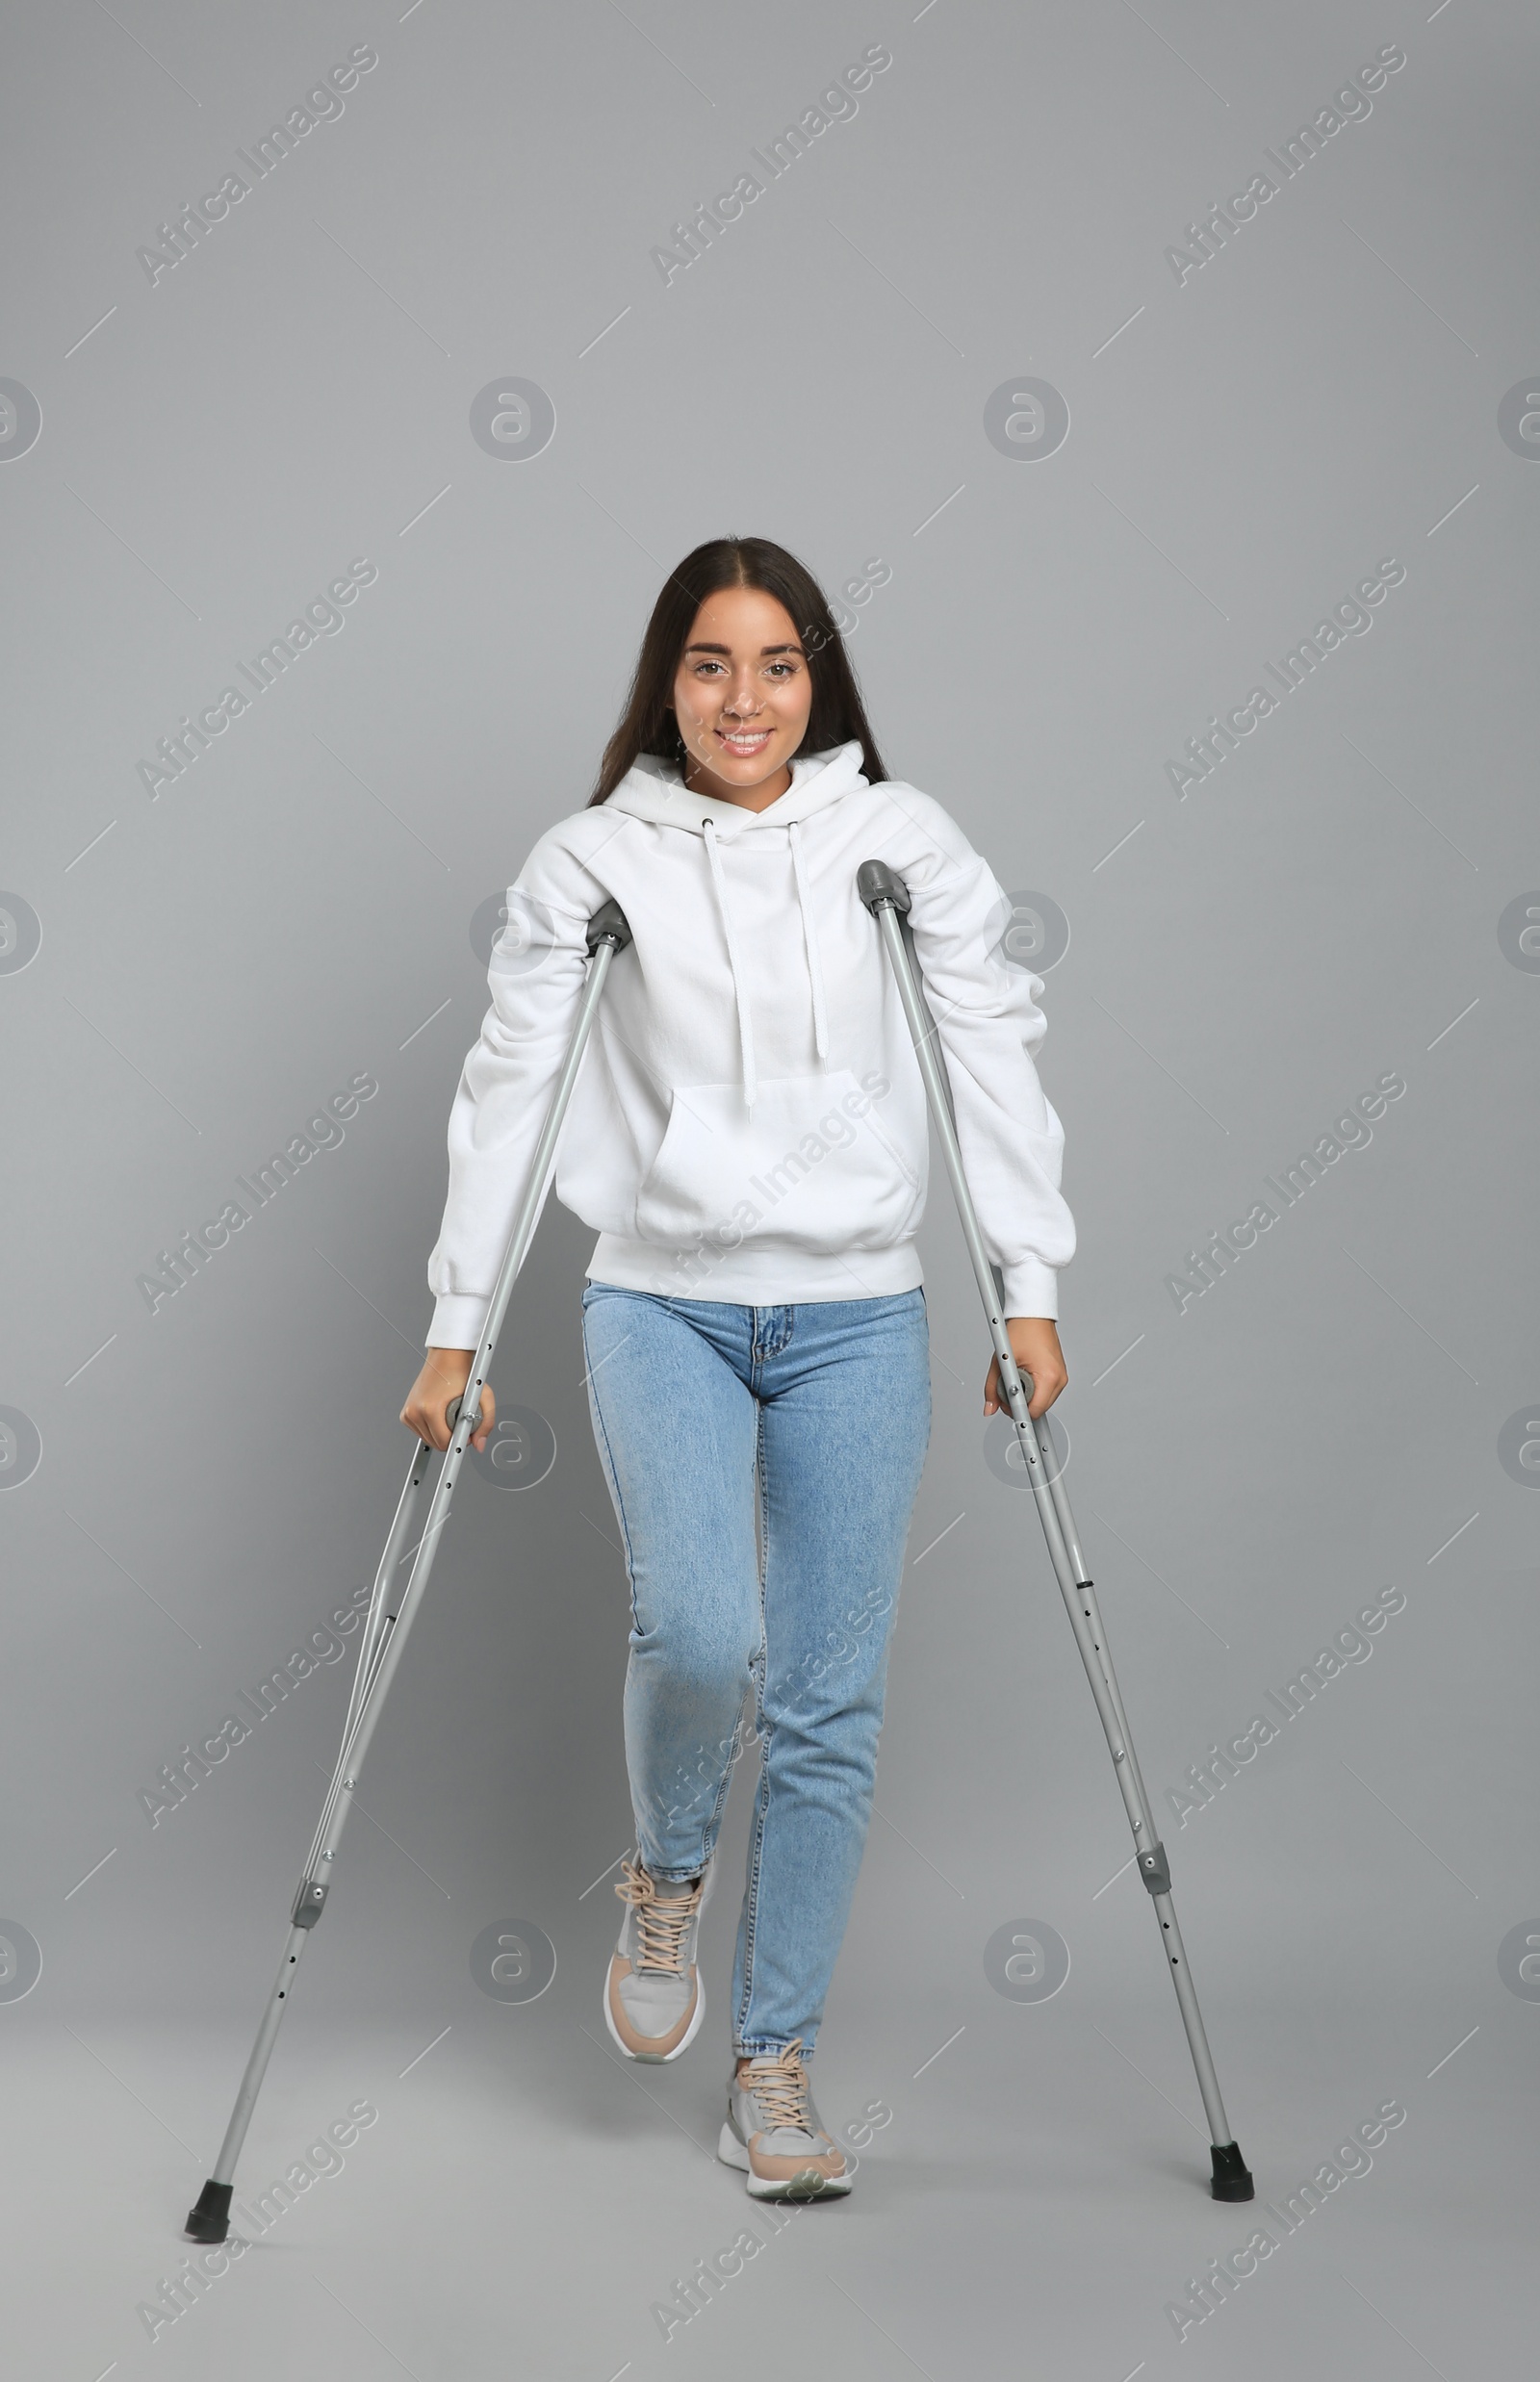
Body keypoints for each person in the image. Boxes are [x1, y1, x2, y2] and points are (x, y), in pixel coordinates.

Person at [401, 536, 1073, 2201]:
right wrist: (457, 1321)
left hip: (858, 1311)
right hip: (665, 1302)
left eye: (779, 665)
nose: (746, 698)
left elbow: (988, 1041)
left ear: (821, 682)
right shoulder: (591, 860)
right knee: (704, 1629)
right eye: (712, 663)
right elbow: (514, 1081)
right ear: (668, 678)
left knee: (832, 1703)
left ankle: (772, 2068)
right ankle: (668, 1873)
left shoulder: (896, 842)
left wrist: (1029, 1278)